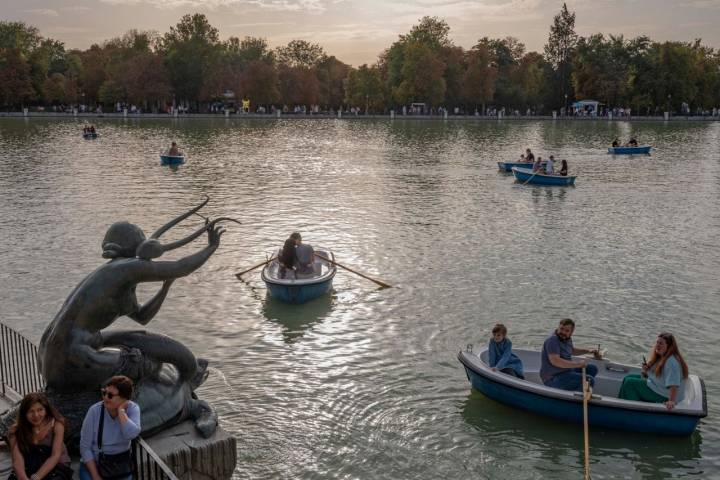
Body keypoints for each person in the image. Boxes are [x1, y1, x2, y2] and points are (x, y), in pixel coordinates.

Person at [79, 376, 141, 480]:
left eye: (110, 395)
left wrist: (121, 411)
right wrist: (96, 476)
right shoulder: (94, 411)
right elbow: (85, 447)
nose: (105, 398)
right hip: (95, 465)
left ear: (124, 398)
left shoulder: (132, 409)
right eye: (104, 393)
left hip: (120, 466)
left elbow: (131, 434)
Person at [8, 393, 73, 480]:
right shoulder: (16, 431)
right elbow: (17, 460)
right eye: (31, 411)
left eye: (40, 410)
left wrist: (36, 477)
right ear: (24, 413)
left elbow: (55, 455)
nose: (36, 415)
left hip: (55, 466)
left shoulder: (57, 424)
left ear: (46, 410)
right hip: (29, 465)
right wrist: (23, 478)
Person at [618, 333, 688, 410]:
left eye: (661, 343)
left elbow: (674, 384)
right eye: (657, 342)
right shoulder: (661, 357)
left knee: (630, 383)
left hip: (665, 395)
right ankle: (621, 406)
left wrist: (671, 401)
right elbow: (654, 378)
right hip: (659, 387)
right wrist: (645, 371)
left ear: (669, 346)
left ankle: (630, 410)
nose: (657, 345)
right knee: (627, 378)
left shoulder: (671, 362)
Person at [540, 318, 601, 391]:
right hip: (552, 378)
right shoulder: (552, 341)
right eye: (561, 329)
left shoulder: (567, 338)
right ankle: (576, 398)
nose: (563, 332)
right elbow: (555, 361)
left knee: (593, 368)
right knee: (589, 380)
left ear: (571, 332)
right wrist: (578, 364)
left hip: (567, 371)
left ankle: (577, 390)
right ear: (558, 327)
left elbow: (572, 350)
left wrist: (588, 350)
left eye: (566, 331)